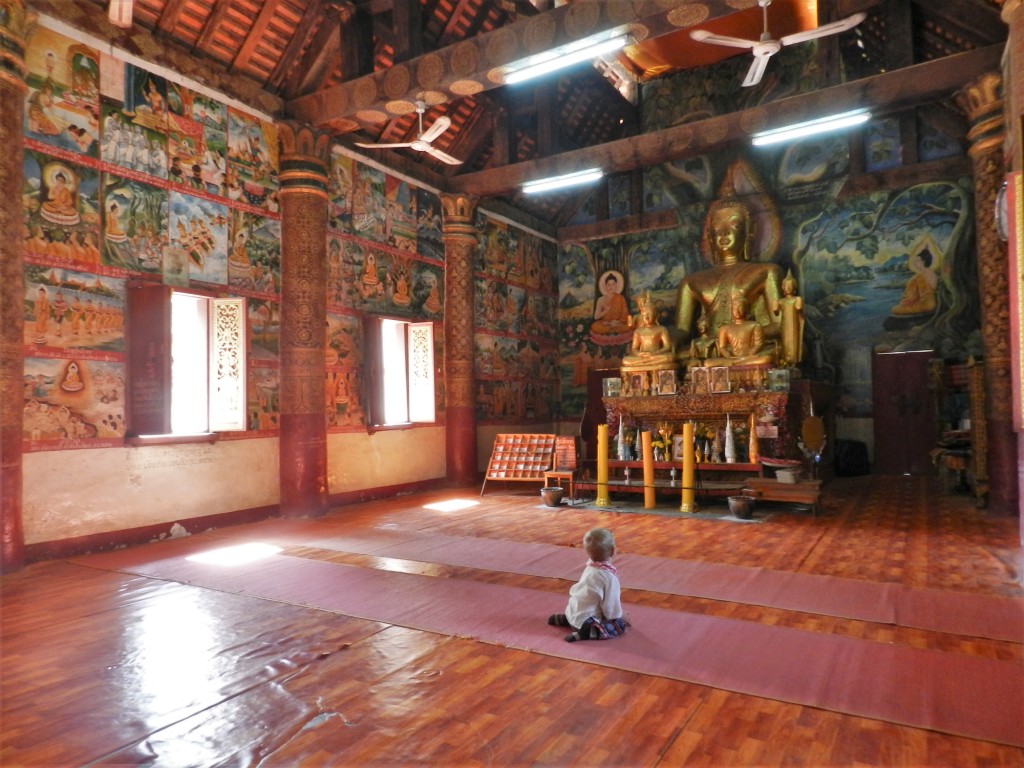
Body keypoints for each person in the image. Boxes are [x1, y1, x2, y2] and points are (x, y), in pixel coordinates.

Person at [675, 198, 783, 361]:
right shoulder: (691, 282)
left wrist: (747, 333)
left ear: (749, 231)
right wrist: (668, 338)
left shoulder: (766, 271)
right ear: (710, 236)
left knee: (773, 353)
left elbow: (780, 325)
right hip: (711, 347)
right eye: (717, 227)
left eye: (734, 225)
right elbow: (682, 330)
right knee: (677, 356)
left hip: (748, 347)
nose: (724, 232)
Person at [548, 527, 630, 643]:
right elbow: (610, 606)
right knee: (619, 625)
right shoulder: (609, 577)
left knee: (581, 608)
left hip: (572, 614)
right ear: (613, 551)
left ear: (588, 552)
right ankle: (588, 633)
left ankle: (566, 619)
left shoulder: (590, 567)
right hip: (588, 623)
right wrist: (620, 616)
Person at [708, 292, 776, 367]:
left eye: (740, 307)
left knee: (767, 359)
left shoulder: (754, 325)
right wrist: (728, 356)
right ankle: (736, 363)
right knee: (707, 363)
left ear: (746, 309)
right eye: (734, 307)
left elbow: (758, 344)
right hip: (732, 358)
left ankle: (736, 364)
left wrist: (749, 355)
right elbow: (722, 347)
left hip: (748, 357)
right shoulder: (725, 328)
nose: (737, 310)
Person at [621, 292, 675, 372]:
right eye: (644, 315)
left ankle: (647, 362)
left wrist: (656, 353)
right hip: (642, 356)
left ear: (656, 315)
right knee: (626, 360)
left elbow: (667, 347)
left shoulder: (662, 329)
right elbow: (634, 348)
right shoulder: (638, 331)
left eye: (649, 314)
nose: (646, 317)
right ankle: (647, 362)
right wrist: (640, 354)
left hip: (656, 355)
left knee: (670, 358)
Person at [891, 247, 938, 316]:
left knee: (894, 309)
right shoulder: (933, 274)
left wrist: (903, 304)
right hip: (932, 303)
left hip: (924, 305)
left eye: (917, 261)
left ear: (923, 262)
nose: (915, 263)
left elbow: (909, 299)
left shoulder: (918, 277)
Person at [773, 269, 805, 366]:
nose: (788, 288)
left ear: (795, 287)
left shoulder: (797, 299)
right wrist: (775, 304)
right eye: (786, 285)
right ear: (782, 287)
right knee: (784, 342)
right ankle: (785, 361)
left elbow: (799, 309)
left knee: (793, 342)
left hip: (794, 324)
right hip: (784, 325)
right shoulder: (781, 301)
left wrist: (799, 303)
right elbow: (776, 312)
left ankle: (794, 362)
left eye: (790, 285)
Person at [591, 271, 631, 335]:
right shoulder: (601, 299)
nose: (611, 287)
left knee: (630, 323)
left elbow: (625, 314)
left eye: (613, 284)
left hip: (618, 323)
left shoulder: (621, 298)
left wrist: (618, 322)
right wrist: (606, 311)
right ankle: (612, 331)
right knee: (595, 326)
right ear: (605, 286)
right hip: (606, 323)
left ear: (616, 285)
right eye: (609, 285)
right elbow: (596, 317)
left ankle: (611, 331)